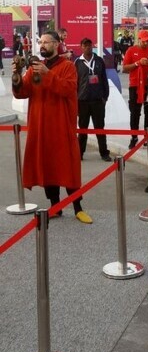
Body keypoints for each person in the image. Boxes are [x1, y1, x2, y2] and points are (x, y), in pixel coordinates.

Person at [11, 31, 92, 224]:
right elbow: (23, 93)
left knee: (68, 167)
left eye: (46, 42)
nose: (42, 45)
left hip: (62, 126)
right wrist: (16, 77)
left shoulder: (68, 66)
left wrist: (47, 75)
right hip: (41, 127)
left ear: (56, 44)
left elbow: (67, 89)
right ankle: (55, 206)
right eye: (40, 42)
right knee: (47, 167)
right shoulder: (34, 69)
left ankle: (78, 207)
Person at [122, 30, 148, 149]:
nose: (145, 43)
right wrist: (138, 63)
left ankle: (147, 138)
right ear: (138, 39)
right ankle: (134, 137)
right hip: (135, 86)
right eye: (144, 41)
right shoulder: (131, 50)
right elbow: (124, 68)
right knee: (135, 113)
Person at [74, 37, 110, 162]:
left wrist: (105, 97)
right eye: (85, 45)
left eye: (89, 45)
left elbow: (104, 80)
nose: (88, 47)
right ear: (81, 47)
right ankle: (80, 153)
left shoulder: (99, 60)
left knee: (100, 128)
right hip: (82, 101)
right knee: (82, 129)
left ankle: (104, 153)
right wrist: (76, 99)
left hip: (97, 101)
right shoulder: (77, 63)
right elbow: (75, 83)